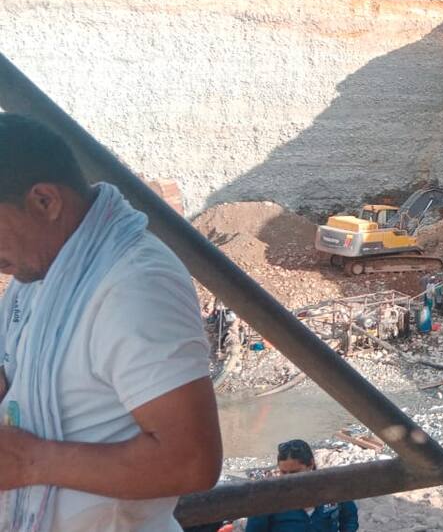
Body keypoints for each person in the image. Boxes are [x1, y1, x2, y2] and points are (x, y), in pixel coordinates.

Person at [0, 114, 221, 531]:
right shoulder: (41, 268)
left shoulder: (135, 284)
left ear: (45, 201)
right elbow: (12, 367)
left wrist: (29, 461)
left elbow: (191, 462)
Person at [246, 439, 358, 532]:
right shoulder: (268, 498)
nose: (288, 479)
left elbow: (350, 517)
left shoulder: (332, 488)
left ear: (310, 464)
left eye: (295, 472)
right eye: (284, 472)